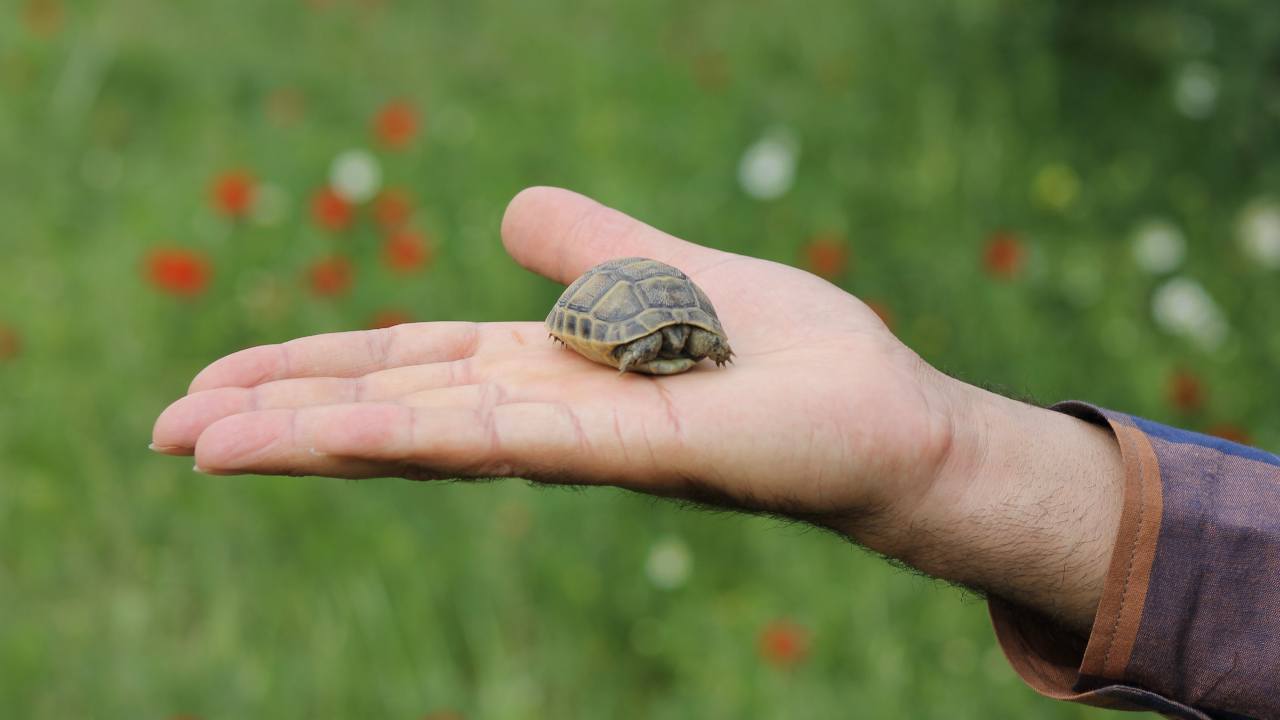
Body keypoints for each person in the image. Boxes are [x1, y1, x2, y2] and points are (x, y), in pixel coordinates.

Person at [151, 187, 1280, 719]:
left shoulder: (691, 342)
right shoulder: (637, 326)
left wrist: (945, 457)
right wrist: (958, 458)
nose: (685, 356)